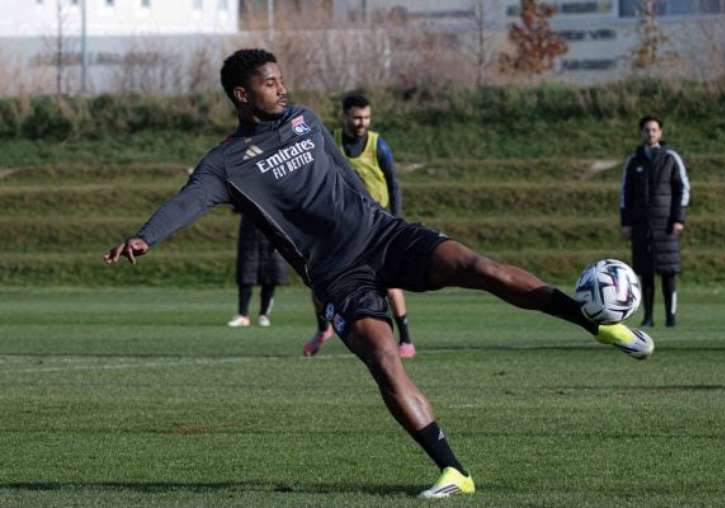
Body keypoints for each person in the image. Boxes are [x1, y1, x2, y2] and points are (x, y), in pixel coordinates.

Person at [104, 48, 654, 499]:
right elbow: (187, 200)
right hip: (338, 276)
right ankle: (454, 471)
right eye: (270, 84)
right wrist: (145, 236)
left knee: (479, 267)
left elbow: (344, 177)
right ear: (242, 96)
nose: (282, 88)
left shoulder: (305, 119)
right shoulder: (226, 164)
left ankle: (598, 324)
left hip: (382, 235)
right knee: (384, 357)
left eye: (281, 79)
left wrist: (376, 218)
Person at [303, 93, 415, 359]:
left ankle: (406, 339)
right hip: (340, 224)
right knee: (318, 280)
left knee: (389, 281)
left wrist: (396, 218)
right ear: (345, 116)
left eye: (366, 117)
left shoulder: (378, 145)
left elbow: (393, 182)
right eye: (356, 117)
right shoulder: (329, 142)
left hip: (377, 222)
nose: (362, 122)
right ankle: (323, 329)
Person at [620, 115, 690, 328]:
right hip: (642, 226)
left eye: (654, 130)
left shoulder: (671, 158)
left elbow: (682, 189)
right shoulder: (634, 161)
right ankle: (648, 317)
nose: (650, 133)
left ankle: (671, 317)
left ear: (660, 132)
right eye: (647, 130)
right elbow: (625, 194)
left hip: (666, 225)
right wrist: (626, 222)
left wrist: (678, 218)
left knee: (669, 273)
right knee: (645, 273)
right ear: (641, 133)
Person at [227, 212, 289, 328]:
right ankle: (242, 315)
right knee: (246, 277)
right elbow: (235, 208)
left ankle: (263, 315)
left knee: (270, 278)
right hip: (250, 238)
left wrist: (280, 240)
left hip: (271, 239)